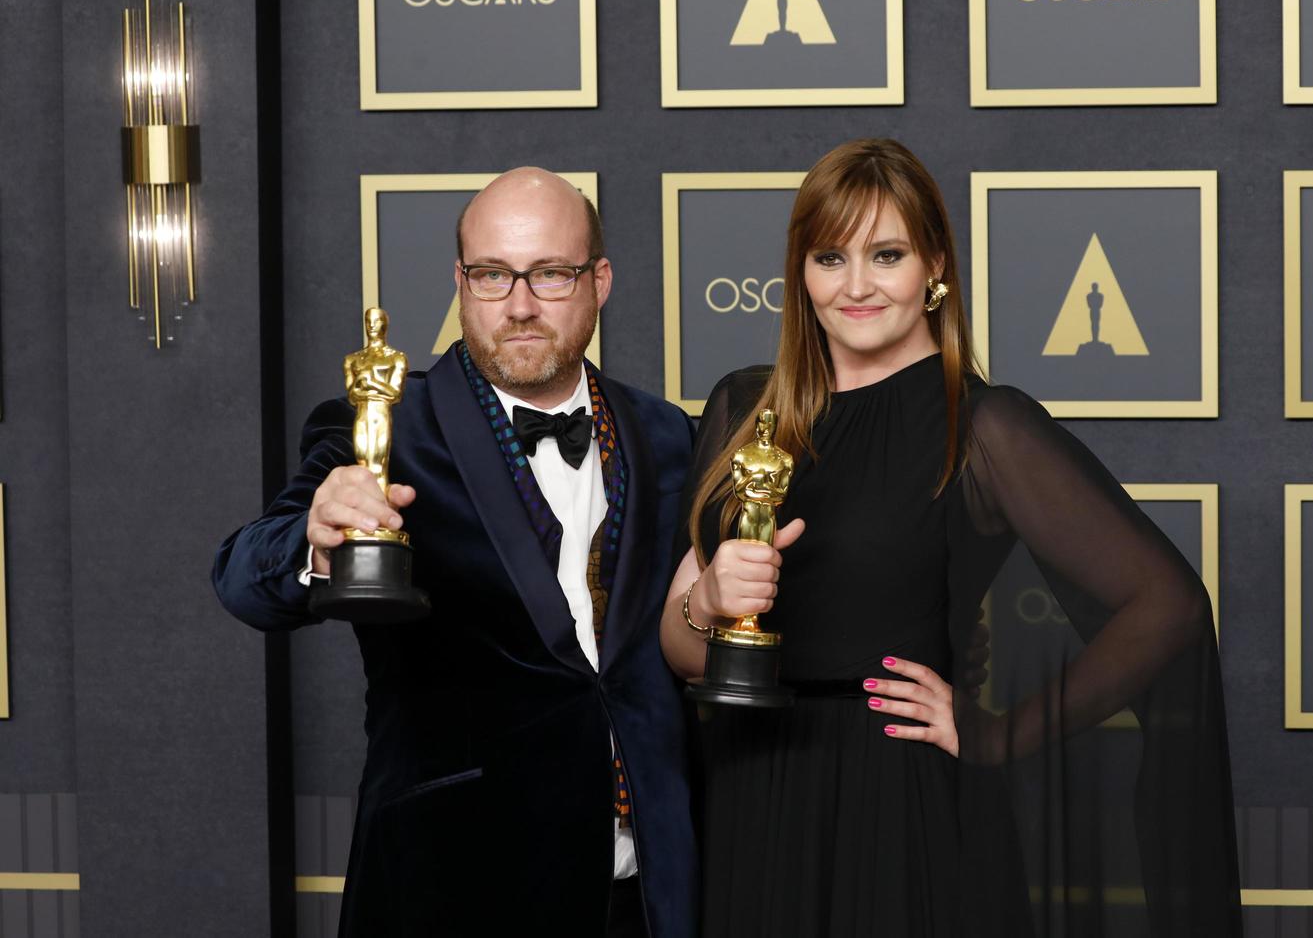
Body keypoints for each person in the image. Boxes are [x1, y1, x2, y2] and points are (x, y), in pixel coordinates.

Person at [660, 139, 1240, 936]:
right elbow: (681, 652)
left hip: (900, 803)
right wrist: (709, 602)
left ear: (935, 266)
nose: (855, 285)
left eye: (886, 254)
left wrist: (1001, 733)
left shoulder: (983, 427)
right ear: (800, 272)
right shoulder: (746, 408)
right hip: (755, 796)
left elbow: (1168, 607)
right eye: (830, 257)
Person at [214, 169, 697, 937]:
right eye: (492, 274)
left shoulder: (667, 433)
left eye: (551, 273)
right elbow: (244, 578)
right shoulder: (382, 426)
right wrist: (316, 535)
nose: (520, 304)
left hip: (641, 891)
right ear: (460, 281)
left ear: (599, 281)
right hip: (453, 883)